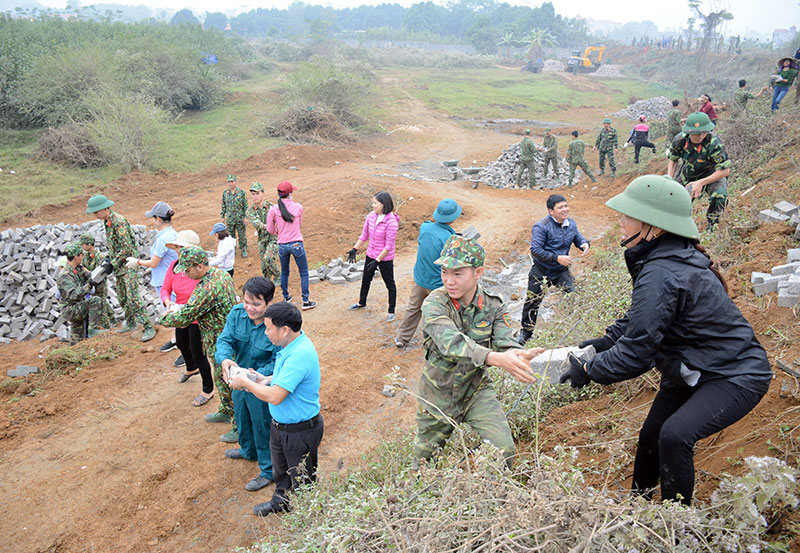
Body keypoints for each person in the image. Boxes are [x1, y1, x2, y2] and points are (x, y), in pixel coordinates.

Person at [560, 175, 771, 506]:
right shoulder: (666, 258)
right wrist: (604, 341)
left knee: (674, 436)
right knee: (651, 436)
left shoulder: (663, 271)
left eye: (627, 215)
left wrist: (589, 369)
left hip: (735, 375)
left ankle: (675, 525)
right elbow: (642, 319)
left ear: (653, 226)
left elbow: (637, 354)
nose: (620, 221)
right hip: (693, 365)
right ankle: (638, 505)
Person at [414, 234, 543, 469]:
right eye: (444, 272)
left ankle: (492, 499)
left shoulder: (493, 304)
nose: (449, 280)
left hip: (475, 391)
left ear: (478, 272)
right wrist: (494, 358)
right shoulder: (434, 303)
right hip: (437, 395)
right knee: (423, 465)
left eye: (457, 273)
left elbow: (504, 340)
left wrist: (516, 355)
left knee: (504, 450)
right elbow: (450, 343)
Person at [230, 302, 323, 516]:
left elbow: (275, 396)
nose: (265, 332)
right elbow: (282, 381)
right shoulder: (290, 347)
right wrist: (263, 379)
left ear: (285, 330)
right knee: (281, 471)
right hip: (282, 427)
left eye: (268, 328)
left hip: (299, 432)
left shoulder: (298, 355)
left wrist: (246, 383)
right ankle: (281, 502)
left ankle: (310, 519)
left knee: (303, 478)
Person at [159, 247, 238, 442]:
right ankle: (227, 410)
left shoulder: (206, 287)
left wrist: (164, 318)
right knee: (221, 377)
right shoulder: (220, 275)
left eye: (188, 269)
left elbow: (187, 316)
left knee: (228, 379)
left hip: (220, 339)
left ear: (200, 266)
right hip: (221, 335)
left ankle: (239, 425)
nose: (184, 273)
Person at [216, 278, 281, 493]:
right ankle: (248, 450)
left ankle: (268, 469)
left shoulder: (276, 323)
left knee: (262, 423)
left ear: (269, 304)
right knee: (242, 417)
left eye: (256, 304)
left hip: (260, 383)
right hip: (238, 378)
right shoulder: (237, 314)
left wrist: (257, 376)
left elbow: (278, 359)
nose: (250, 308)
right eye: (246, 302)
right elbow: (225, 340)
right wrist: (225, 360)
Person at [518, 194, 589, 344]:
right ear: (551, 211)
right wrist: (557, 258)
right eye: (561, 207)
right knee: (532, 302)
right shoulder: (541, 226)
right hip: (541, 271)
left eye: (566, 206)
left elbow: (577, 237)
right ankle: (526, 333)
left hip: (560, 271)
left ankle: (570, 328)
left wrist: (583, 243)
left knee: (573, 296)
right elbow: (535, 250)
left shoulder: (571, 224)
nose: (565, 209)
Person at [86, 194, 156, 342]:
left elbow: (126, 248)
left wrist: (113, 263)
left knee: (133, 297)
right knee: (122, 297)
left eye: (96, 212)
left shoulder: (118, 222)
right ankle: (130, 322)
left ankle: (148, 326)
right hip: (119, 266)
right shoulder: (107, 222)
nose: (95, 215)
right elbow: (115, 246)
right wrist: (108, 258)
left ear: (104, 209)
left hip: (129, 264)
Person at [395, 199, 461, 348]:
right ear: (453, 218)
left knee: (413, 308)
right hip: (436, 284)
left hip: (420, 278)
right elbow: (452, 261)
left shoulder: (424, 228)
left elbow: (432, 233)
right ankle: (433, 342)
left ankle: (402, 338)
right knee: (437, 313)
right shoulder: (449, 239)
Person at [161, 231, 213, 405]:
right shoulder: (174, 266)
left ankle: (208, 390)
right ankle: (191, 368)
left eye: (181, 247)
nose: (178, 251)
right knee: (182, 344)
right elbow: (165, 289)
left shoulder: (200, 269)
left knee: (198, 352)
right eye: (177, 247)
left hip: (197, 315)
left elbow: (203, 293)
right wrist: (168, 302)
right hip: (180, 313)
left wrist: (187, 310)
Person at [128, 201, 178, 353]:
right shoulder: (172, 233)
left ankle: (182, 344)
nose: (152, 220)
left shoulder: (163, 239)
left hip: (165, 280)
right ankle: (175, 339)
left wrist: (136, 262)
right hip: (172, 278)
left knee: (173, 312)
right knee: (175, 311)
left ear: (158, 219)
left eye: (153, 217)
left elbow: (154, 263)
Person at [667, 112, 731, 229]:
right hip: (689, 172)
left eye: (704, 132)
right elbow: (673, 159)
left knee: (720, 195)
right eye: (696, 133)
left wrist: (701, 183)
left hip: (712, 173)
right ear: (689, 131)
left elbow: (725, 171)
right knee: (674, 198)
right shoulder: (680, 140)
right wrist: (669, 178)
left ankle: (713, 225)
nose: (700, 136)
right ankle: (675, 226)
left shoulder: (714, 143)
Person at [347, 191, 400, 321]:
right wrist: (355, 248)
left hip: (384, 258)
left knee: (390, 284)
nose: (373, 205)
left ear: (384, 204)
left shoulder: (392, 222)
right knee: (366, 279)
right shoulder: (371, 216)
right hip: (371, 254)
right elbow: (364, 235)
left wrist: (378, 260)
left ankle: (391, 311)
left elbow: (388, 246)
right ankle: (361, 302)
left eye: (375, 203)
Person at [267, 181, 316, 311]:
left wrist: (279, 232)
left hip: (282, 245)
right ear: (290, 194)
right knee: (303, 272)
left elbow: (270, 229)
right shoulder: (298, 207)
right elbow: (298, 225)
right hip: (296, 243)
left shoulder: (273, 209)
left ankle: (286, 297)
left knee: (285, 272)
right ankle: (305, 301)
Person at [57, 243, 105, 344]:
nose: (83, 257)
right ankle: (92, 329)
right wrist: (88, 285)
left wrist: (103, 268)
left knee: (77, 338)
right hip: (70, 309)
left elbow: (90, 276)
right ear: (76, 257)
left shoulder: (77, 269)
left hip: (76, 306)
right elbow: (73, 295)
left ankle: (73, 353)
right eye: (81, 255)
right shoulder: (65, 275)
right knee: (95, 301)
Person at [246, 182, 280, 282]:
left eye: (257, 193)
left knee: (268, 258)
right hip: (262, 240)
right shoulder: (250, 210)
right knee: (264, 267)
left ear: (263, 193)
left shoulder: (272, 207)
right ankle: (267, 283)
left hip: (273, 239)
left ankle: (278, 275)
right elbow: (257, 224)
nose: (255, 196)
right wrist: (270, 226)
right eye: (253, 194)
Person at [79, 233, 114, 328]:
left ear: (89, 245)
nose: (82, 246)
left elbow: (97, 274)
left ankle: (107, 327)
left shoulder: (99, 257)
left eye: (83, 244)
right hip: (91, 285)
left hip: (100, 285)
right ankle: (112, 317)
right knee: (102, 302)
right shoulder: (86, 255)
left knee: (101, 305)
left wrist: (83, 269)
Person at [220, 174, 248, 258]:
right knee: (231, 236)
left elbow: (245, 206)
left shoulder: (241, 193)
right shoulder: (225, 193)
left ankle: (243, 249)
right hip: (230, 219)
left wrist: (246, 217)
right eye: (229, 182)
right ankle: (233, 249)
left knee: (242, 235)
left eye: (232, 181)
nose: (230, 183)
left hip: (240, 218)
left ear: (235, 182)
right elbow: (223, 205)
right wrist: (222, 217)